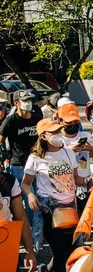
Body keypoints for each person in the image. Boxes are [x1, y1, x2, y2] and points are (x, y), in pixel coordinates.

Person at [21, 118, 83, 272]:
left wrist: (88, 181)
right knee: (60, 251)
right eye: (53, 132)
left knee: (69, 250)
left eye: (58, 131)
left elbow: (76, 178)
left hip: (71, 208)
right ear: (43, 136)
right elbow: (25, 184)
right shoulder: (35, 158)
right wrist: (31, 195)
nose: (58, 135)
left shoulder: (68, 153)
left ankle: (46, 271)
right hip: (50, 210)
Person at [0, 90, 43, 225]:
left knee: (36, 197)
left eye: (30, 100)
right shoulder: (10, 121)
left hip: (36, 163)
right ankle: (26, 230)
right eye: (25, 101)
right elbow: (0, 140)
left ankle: (36, 230)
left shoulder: (36, 118)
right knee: (21, 200)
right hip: (18, 164)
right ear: (16, 103)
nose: (28, 103)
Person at [57, 103, 93, 211]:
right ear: (60, 121)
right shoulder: (56, 139)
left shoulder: (86, 136)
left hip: (84, 187)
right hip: (64, 191)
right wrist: (68, 151)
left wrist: (92, 149)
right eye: (69, 122)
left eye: (75, 122)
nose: (73, 125)